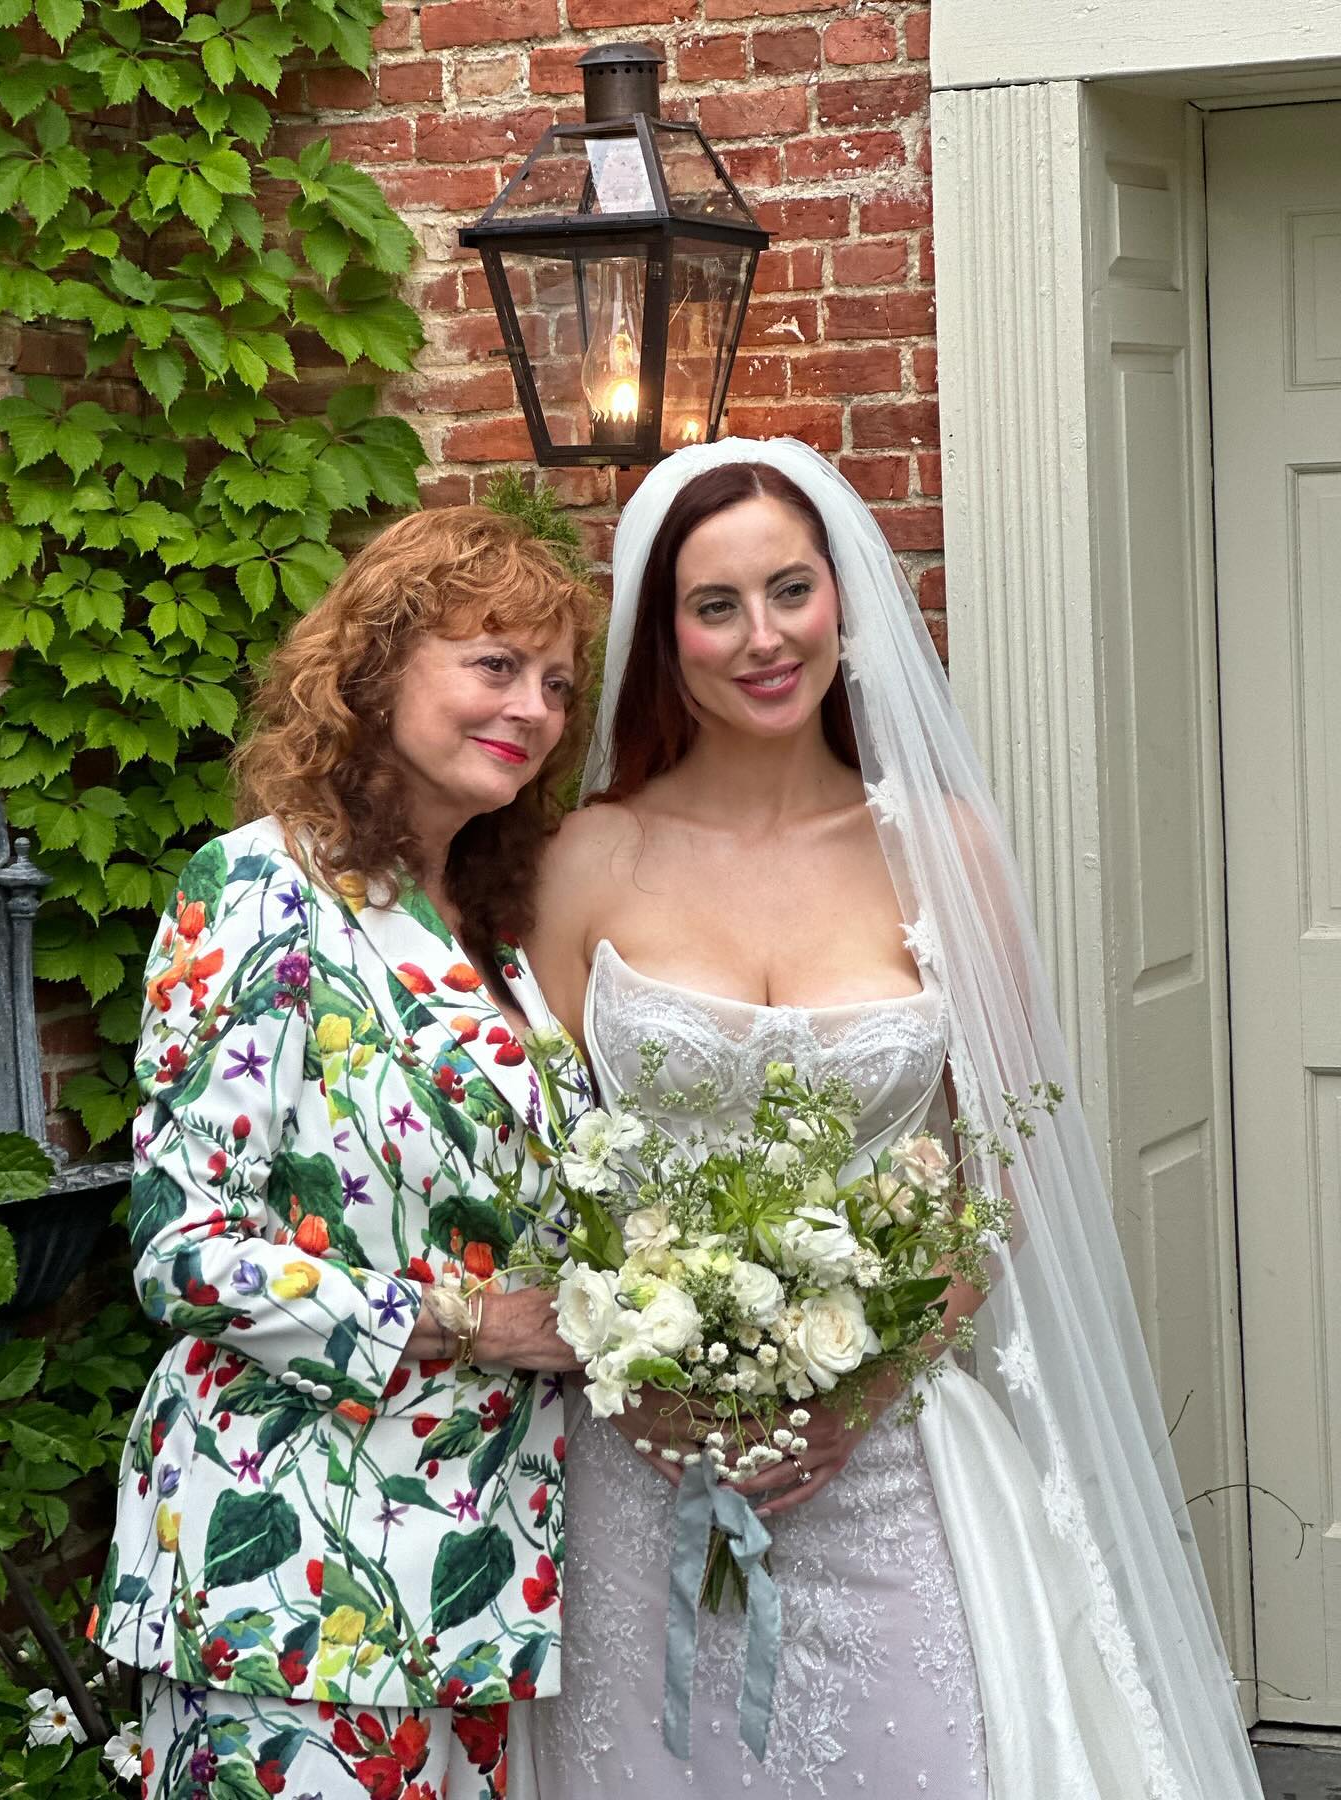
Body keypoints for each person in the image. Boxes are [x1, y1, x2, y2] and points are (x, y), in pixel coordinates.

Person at [516, 440, 1263, 1799]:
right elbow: (532, 1162)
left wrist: (855, 1390)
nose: (763, 638)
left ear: (844, 598)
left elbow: (1000, 1169)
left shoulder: (942, 846)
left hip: (886, 1457)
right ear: (662, 636)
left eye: (789, 589)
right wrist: (639, 1348)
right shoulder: (590, 857)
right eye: (716, 605)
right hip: (645, 1460)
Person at [92, 508, 598, 1799]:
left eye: (554, 684)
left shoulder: (497, 936)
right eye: (494, 665)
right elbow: (184, 1248)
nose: (532, 709)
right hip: (295, 1583)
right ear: (374, 669)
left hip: (478, 1584)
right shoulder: (260, 890)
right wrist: (479, 1321)